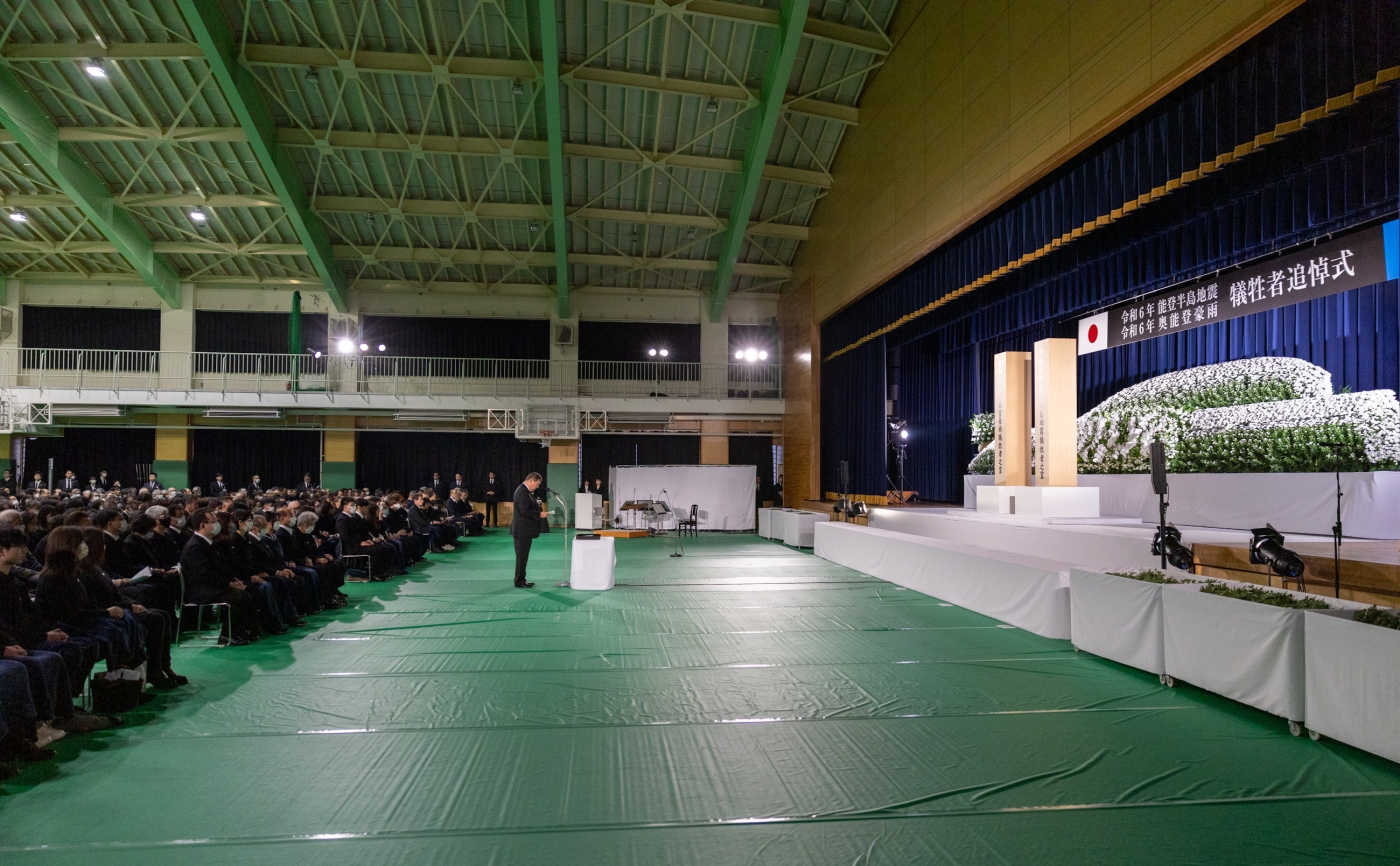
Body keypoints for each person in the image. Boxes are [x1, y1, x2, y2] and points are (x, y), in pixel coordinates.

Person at [179, 508, 258, 646]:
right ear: (203, 525)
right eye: (213, 521)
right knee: (240, 597)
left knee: (252, 589)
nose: (217, 525)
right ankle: (227, 635)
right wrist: (229, 584)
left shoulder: (209, 543)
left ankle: (245, 630)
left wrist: (234, 580)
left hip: (213, 586)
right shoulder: (195, 546)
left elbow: (222, 568)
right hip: (201, 590)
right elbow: (205, 575)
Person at [509, 472, 543, 589]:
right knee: (521, 557)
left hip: (524, 530)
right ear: (532, 480)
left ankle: (521, 578)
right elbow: (525, 511)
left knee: (523, 556)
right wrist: (539, 514)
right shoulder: (523, 491)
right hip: (521, 530)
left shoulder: (525, 491)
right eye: (537, 484)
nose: (537, 487)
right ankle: (519, 580)